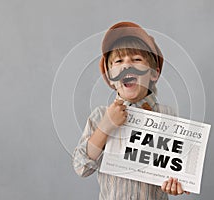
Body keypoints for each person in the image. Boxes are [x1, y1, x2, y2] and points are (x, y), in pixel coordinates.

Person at [72, 21, 190, 199]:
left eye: (136, 59)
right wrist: (105, 128)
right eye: (119, 61)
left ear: (154, 73)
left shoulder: (168, 116)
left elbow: (178, 169)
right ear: (111, 77)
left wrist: (178, 181)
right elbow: (81, 167)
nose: (127, 66)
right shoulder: (100, 116)